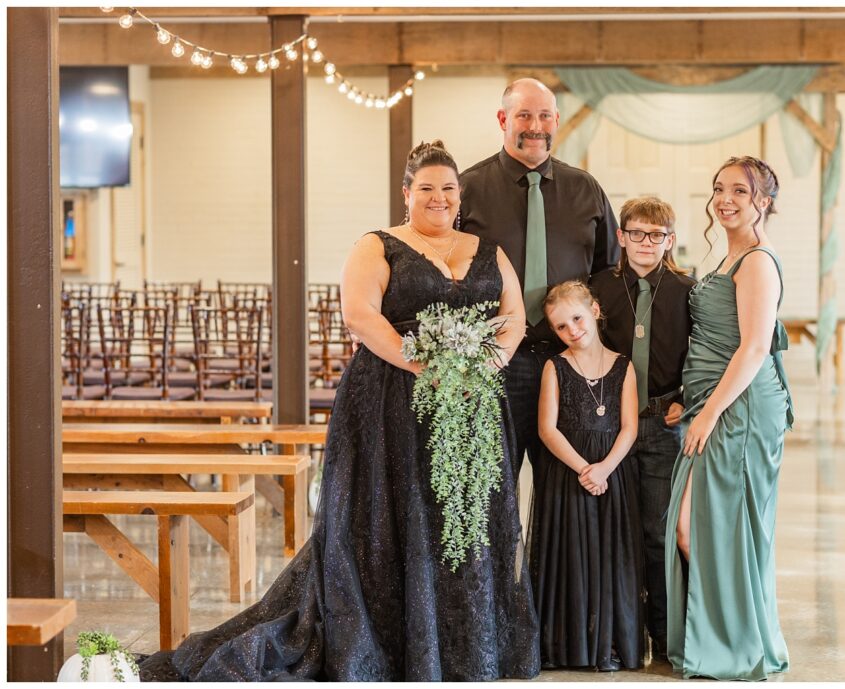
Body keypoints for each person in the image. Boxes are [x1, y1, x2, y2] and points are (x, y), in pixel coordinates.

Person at [139, 141, 540, 681]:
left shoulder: (487, 250)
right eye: (426, 188)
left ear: (460, 194)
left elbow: (512, 316)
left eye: (448, 188)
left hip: (470, 406)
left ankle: (460, 648)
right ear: (406, 194)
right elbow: (360, 316)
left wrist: (488, 361)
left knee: (461, 520)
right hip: (389, 402)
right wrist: (429, 367)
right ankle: (389, 644)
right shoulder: (378, 245)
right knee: (390, 517)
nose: (438, 197)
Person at [664, 156, 793, 681]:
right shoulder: (726, 256)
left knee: (701, 528)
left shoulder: (757, 261)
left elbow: (756, 347)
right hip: (709, 404)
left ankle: (735, 644)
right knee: (700, 527)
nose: (726, 199)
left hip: (737, 408)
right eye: (719, 189)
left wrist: (708, 414)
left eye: (740, 190)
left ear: (762, 200)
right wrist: (687, 401)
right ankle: (721, 638)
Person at [459, 78, 620, 491]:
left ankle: (549, 561)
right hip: (494, 364)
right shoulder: (467, 190)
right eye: (524, 115)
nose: (536, 125)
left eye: (545, 115)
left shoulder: (587, 190)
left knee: (565, 493)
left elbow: (608, 274)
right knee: (491, 489)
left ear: (557, 121)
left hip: (569, 364)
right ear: (502, 119)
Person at [589, 196, 695, 662]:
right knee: (613, 534)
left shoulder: (688, 291)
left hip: (661, 425)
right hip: (609, 428)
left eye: (656, 235)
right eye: (636, 232)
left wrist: (685, 399)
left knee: (658, 532)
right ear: (621, 236)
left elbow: (703, 355)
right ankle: (618, 639)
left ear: (669, 240)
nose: (645, 243)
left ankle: (667, 640)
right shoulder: (598, 290)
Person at [531, 280, 645, 672]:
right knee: (573, 555)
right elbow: (547, 429)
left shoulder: (623, 366)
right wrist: (584, 469)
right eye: (561, 327)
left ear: (594, 311)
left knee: (612, 556)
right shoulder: (555, 366)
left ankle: (610, 643)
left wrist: (605, 468)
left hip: (613, 473)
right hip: (570, 474)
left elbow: (629, 427)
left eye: (577, 318)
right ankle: (571, 645)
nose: (572, 330)